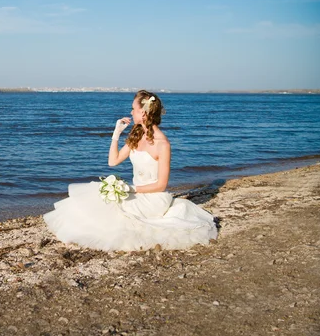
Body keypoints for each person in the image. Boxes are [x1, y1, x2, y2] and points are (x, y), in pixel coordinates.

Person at [43, 90, 218, 251]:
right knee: (99, 194)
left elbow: (161, 185)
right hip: (135, 191)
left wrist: (130, 189)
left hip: (153, 199)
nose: (131, 112)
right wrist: (116, 133)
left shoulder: (163, 144)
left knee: (114, 211)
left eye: (133, 109)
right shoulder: (137, 134)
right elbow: (113, 161)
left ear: (143, 112)